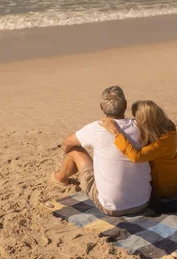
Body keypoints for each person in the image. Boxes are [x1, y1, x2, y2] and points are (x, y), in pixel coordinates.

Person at [51, 86, 152, 216]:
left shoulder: (96, 128)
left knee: (74, 150)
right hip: (143, 201)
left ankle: (60, 178)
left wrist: (68, 155)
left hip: (113, 207)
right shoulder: (140, 126)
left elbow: (66, 143)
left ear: (101, 107)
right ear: (125, 105)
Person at [99, 100, 177, 198]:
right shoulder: (164, 124)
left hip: (164, 187)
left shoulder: (163, 141)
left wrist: (117, 134)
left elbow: (136, 157)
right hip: (173, 174)